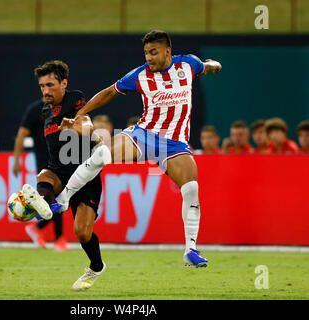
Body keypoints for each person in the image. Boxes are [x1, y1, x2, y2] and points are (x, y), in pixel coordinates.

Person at [50, 30, 222, 268]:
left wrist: (214, 65)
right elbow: (109, 93)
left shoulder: (188, 64)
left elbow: (206, 66)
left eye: (153, 52)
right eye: (146, 53)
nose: (149, 57)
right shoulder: (139, 75)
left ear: (167, 51)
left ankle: (190, 249)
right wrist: (80, 114)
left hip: (174, 144)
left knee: (191, 189)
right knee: (101, 154)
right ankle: (64, 198)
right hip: (143, 135)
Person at [20, 60, 105, 290]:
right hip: (58, 170)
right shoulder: (45, 109)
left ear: (63, 83)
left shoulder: (74, 98)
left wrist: (75, 127)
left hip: (85, 174)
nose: (45, 91)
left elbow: (87, 127)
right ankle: (43, 205)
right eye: (41, 86)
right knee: (44, 176)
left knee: (82, 232)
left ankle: (96, 266)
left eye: (50, 85)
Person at [12, 98, 68, 251]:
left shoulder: (65, 106)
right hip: (45, 162)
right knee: (57, 196)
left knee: (60, 198)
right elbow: (21, 134)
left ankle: (38, 228)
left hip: (63, 159)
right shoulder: (35, 109)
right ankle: (58, 238)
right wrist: (16, 160)